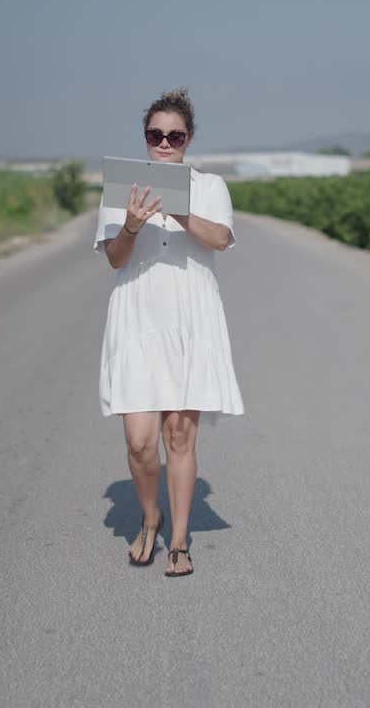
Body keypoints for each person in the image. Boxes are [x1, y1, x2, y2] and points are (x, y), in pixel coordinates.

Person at [93, 87, 244, 577]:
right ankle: (150, 516)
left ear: (189, 138)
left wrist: (176, 210)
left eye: (174, 135)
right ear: (145, 137)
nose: (164, 143)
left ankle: (178, 542)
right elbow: (115, 259)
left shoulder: (210, 186)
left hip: (190, 315)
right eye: (155, 134)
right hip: (137, 314)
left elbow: (220, 239)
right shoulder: (122, 188)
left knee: (179, 434)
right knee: (140, 440)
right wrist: (132, 226)